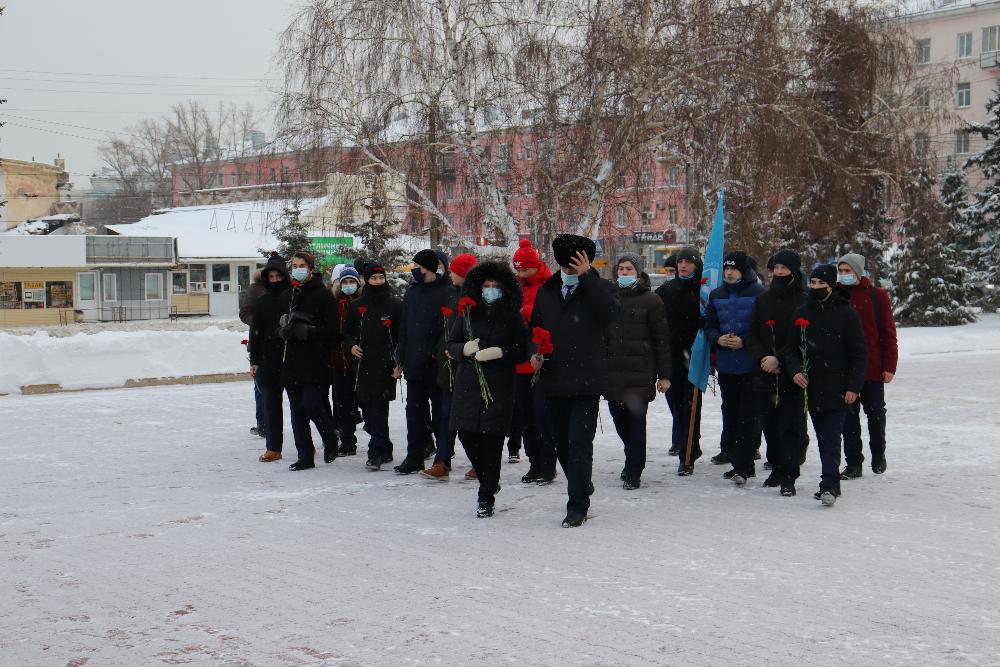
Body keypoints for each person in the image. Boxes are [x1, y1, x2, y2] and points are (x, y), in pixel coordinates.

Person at [530, 234, 621, 527]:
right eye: (566, 267)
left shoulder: (600, 287)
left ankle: (577, 504)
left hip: (586, 380)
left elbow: (609, 313)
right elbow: (535, 329)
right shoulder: (548, 290)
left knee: (579, 442)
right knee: (560, 442)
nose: (569, 272)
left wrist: (587, 278)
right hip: (554, 377)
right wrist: (535, 353)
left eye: (575, 266)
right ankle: (581, 483)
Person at [448, 261, 529, 517]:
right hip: (469, 383)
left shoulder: (512, 316)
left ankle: (485, 497)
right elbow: (451, 344)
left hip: (498, 384)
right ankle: (490, 481)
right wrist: (463, 350)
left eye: (495, 286)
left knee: (491, 441)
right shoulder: (467, 313)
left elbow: (521, 350)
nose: (490, 290)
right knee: (467, 436)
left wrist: (500, 352)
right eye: (486, 286)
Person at [784, 264, 868, 506]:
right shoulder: (802, 312)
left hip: (837, 387)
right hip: (808, 387)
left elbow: (859, 353)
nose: (817, 288)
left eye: (822, 284)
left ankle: (830, 484)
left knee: (830, 436)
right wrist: (795, 372)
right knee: (810, 434)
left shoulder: (847, 313)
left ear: (832, 286)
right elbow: (789, 350)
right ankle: (793, 477)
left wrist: (853, 386)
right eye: (813, 283)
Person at [744, 249, 808, 496]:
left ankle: (790, 474)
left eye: (784, 268)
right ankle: (777, 467)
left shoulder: (804, 300)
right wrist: (763, 358)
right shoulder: (763, 300)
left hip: (791, 373)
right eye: (776, 268)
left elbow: (802, 338)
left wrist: (779, 359)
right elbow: (752, 334)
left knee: (790, 426)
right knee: (769, 424)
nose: (779, 272)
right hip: (764, 372)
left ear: (794, 270)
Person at [605, 254, 671, 490]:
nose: (624, 273)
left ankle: (634, 470)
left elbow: (661, 340)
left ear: (638, 271)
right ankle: (631, 458)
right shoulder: (609, 298)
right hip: (613, 373)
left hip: (640, 373)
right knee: (620, 422)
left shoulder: (651, 300)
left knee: (636, 424)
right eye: (621, 269)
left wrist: (664, 375)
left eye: (629, 269)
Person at [705, 251, 766, 483]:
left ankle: (743, 465)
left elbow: (762, 327)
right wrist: (717, 338)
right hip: (727, 366)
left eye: (734, 268)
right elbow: (709, 324)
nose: (729, 272)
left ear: (745, 270)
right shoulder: (717, 294)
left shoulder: (759, 293)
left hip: (751, 365)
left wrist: (744, 340)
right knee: (731, 413)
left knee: (748, 416)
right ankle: (740, 462)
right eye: (727, 268)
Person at [836, 253, 898, 478]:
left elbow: (888, 334)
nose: (843, 275)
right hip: (844, 369)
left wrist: (889, 365)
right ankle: (853, 463)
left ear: (858, 271)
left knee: (875, 415)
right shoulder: (835, 294)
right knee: (848, 419)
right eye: (840, 271)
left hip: (872, 368)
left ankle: (878, 453)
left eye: (847, 271)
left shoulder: (876, 296)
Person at [278, 251, 341, 471]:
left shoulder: (322, 295)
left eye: (302, 265)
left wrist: (310, 332)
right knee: (297, 411)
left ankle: (330, 436)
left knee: (312, 404)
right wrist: (283, 331)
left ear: (311, 268)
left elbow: (333, 331)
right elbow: (280, 326)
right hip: (292, 361)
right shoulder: (288, 295)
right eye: (294, 265)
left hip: (315, 360)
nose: (298, 269)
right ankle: (305, 455)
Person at [394, 249, 454, 474]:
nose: (415, 270)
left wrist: (434, 352)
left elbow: (446, 329)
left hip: (437, 365)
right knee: (414, 413)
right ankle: (414, 455)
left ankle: (443, 457)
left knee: (441, 413)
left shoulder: (447, 292)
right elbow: (405, 327)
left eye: (418, 266)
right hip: (414, 363)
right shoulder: (412, 292)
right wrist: (400, 355)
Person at [421, 253, 477, 481]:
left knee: (467, 420)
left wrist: (460, 351)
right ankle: (442, 461)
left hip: (467, 367)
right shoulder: (451, 294)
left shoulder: (476, 299)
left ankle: (479, 461)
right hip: (447, 366)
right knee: (446, 417)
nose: (450, 274)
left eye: (454, 270)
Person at [345, 264, 403, 471]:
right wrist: (351, 345)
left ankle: (375, 452)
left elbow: (400, 337)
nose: (378, 281)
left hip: (385, 365)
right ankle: (385, 446)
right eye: (373, 278)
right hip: (363, 365)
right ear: (365, 280)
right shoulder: (356, 306)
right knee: (367, 410)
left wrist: (399, 363)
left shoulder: (395, 305)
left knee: (379, 409)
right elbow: (348, 332)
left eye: (381, 277)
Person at [655, 247, 704, 476]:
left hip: (695, 356)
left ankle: (688, 455)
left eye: (688, 262)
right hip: (671, 357)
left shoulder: (704, 291)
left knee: (690, 407)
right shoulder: (666, 289)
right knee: (677, 406)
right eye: (680, 261)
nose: (683, 265)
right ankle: (687, 440)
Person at [509, 239, 554, 482]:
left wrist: (526, 313)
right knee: (526, 415)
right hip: (520, 358)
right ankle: (534, 462)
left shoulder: (549, 286)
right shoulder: (516, 286)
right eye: (517, 270)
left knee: (542, 415)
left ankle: (548, 464)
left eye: (524, 269)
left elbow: (553, 317)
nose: (521, 274)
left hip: (541, 358)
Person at [248, 253, 291, 463]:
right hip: (268, 360)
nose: (275, 280)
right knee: (272, 406)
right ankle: (274, 448)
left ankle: (307, 445)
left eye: (278, 276)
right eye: (271, 277)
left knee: (301, 407)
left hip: (292, 359)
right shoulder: (263, 302)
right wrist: (254, 360)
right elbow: (255, 333)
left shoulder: (294, 297)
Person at [332, 266, 363, 456]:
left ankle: (374, 433)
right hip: (339, 360)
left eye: (352, 282)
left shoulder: (363, 302)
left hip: (360, 360)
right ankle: (347, 440)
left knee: (364, 400)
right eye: (345, 282)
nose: (349, 285)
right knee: (342, 402)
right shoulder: (335, 303)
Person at [240, 269, 269, 439]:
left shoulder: (283, 288)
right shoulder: (255, 289)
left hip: (281, 343)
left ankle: (270, 422)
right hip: (259, 342)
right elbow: (244, 313)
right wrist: (259, 323)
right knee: (260, 386)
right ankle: (263, 424)